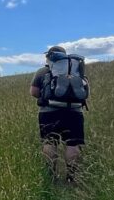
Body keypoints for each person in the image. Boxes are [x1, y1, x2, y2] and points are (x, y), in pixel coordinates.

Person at [30, 45, 86, 182]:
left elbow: (34, 92)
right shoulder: (76, 70)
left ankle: (51, 176)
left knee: (50, 142)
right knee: (72, 145)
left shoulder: (42, 71)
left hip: (49, 112)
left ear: (49, 57)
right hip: (74, 112)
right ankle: (71, 178)